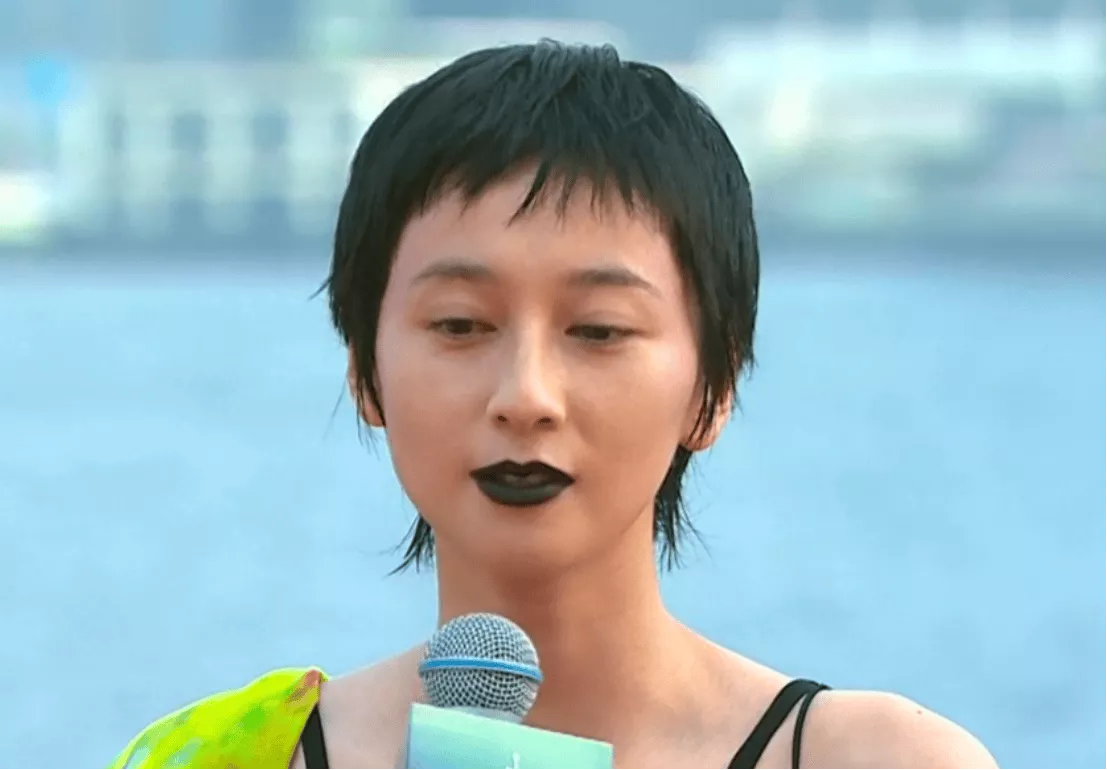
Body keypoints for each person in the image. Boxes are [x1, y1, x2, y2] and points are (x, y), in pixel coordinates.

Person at [107, 41, 999, 770]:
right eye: (460, 324)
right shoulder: (227, 760)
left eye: (599, 330)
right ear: (364, 371)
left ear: (713, 387)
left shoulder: (876, 761)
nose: (525, 396)